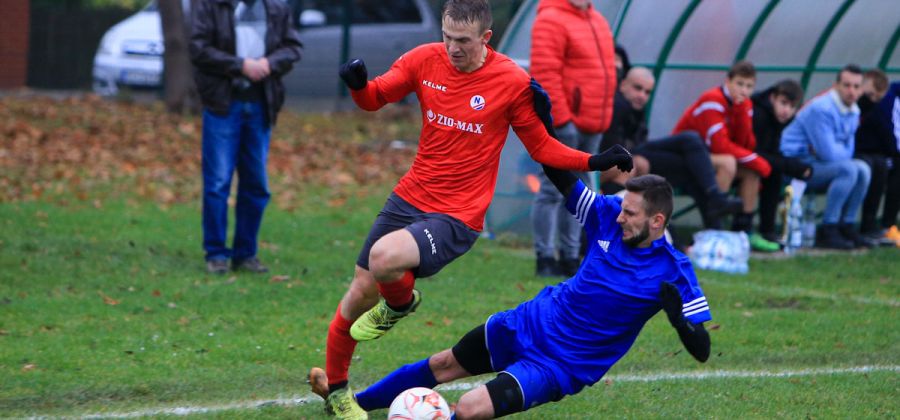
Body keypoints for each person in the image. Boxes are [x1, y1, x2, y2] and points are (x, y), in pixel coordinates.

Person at [308, 1, 634, 418]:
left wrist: (594, 161)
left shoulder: (512, 81)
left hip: (457, 216)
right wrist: (358, 85)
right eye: (446, 37)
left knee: (385, 258)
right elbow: (375, 97)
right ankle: (337, 393)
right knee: (358, 292)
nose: (452, 48)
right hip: (411, 195)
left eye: (462, 41)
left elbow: (542, 148)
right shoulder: (425, 59)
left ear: (485, 38)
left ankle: (400, 304)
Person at [309, 172, 711, 419]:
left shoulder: (675, 272)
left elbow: (703, 349)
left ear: (657, 221)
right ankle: (356, 404)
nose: (621, 216)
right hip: (529, 321)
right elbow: (563, 178)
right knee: (445, 363)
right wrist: (537, 121)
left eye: (632, 213)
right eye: (622, 208)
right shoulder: (608, 215)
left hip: (560, 365)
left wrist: (679, 322)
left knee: (469, 409)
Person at [190, 0, 302, 274]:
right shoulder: (210, 5)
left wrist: (268, 63)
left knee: (256, 184)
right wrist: (240, 66)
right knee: (217, 182)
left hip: (261, 104)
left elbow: (292, 48)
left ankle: (245, 254)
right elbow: (199, 49)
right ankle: (216, 254)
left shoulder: (276, 7)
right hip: (223, 104)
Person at [528, 0, 617, 277]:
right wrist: (561, 120)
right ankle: (545, 256)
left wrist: (602, 115)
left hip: (592, 122)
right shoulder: (550, 19)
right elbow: (545, 73)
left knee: (582, 192)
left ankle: (570, 255)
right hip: (568, 122)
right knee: (552, 189)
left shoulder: (597, 20)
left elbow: (606, 72)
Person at [600, 66, 743, 230]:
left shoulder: (635, 110)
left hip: (637, 157)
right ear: (623, 84)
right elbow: (612, 151)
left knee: (692, 163)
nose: (642, 96)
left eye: (647, 92)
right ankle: (715, 208)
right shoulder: (618, 106)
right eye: (637, 88)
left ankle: (715, 213)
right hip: (627, 162)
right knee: (690, 139)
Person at [673, 60, 779, 251]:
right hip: (685, 158)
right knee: (728, 162)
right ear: (728, 81)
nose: (744, 90)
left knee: (750, 172)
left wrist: (741, 113)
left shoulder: (744, 104)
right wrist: (757, 160)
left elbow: (746, 144)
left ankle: (744, 230)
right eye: (739, 84)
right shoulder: (712, 99)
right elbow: (720, 146)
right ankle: (715, 228)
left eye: (749, 86)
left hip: (710, 158)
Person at [780, 64, 875, 249]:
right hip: (796, 165)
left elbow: (847, 150)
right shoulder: (821, 108)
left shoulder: (854, 111)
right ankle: (828, 228)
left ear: (862, 89)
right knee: (848, 169)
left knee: (863, 168)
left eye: (856, 87)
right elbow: (829, 154)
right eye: (846, 85)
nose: (851, 91)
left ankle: (846, 224)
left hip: (820, 163)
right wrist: (837, 150)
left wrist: (836, 149)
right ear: (836, 85)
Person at [751, 79, 813, 243]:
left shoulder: (776, 118)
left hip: (753, 162)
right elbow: (757, 153)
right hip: (741, 162)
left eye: (792, 107)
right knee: (769, 171)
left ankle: (768, 231)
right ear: (773, 98)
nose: (786, 110)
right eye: (783, 103)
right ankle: (748, 230)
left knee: (774, 172)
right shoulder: (759, 115)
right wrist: (794, 167)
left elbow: (770, 153)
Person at [854, 70, 898, 243]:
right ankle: (845, 225)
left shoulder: (876, 108)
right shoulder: (846, 103)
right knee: (874, 166)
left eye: (876, 98)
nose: (871, 100)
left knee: (882, 164)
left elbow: (887, 135)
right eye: (870, 94)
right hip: (850, 154)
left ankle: (875, 225)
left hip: (869, 154)